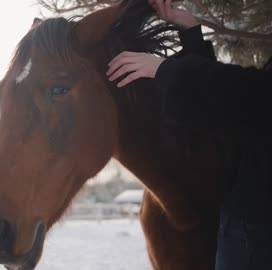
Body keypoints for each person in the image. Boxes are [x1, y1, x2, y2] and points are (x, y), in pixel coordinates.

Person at [107, 1, 272, 269]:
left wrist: (166, 70)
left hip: (259, 228)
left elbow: (257, 98)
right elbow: (240, 112)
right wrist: (192, 34)